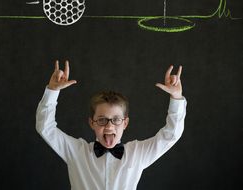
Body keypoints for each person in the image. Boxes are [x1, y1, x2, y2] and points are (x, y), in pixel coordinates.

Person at [36, 60, 187, 190]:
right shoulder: (76, 152)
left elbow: (170, 135)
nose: (109, 126)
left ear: (125, 123)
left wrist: (176, 97)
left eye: (116, 119)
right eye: (102, 120)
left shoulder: (137, 153)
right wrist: (52, 91)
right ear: (91, 123)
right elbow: (45, 128)